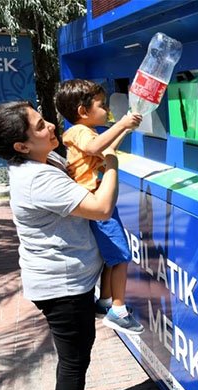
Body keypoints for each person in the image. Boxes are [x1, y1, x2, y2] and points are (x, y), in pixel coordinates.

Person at [0, 101, 127, 390]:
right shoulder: (38, 178)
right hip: (62, 287)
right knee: (75, 359)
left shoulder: (40, 161)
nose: (51, 127)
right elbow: (101, 207)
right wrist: (112, 164)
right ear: (21, 145)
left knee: (72, 357)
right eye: (40, 126)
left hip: (60, 281)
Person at [55, 79, 144, 335]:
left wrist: (125, 130)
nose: (107, 109)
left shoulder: (85, 131)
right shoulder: (81, 132)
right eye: (102, 105)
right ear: (83, 111)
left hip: (97, 201)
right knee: (122, 257)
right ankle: (118, 310)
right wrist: (122, 124)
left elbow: (106, 147)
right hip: (97, 202)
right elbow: (96, 147)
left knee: (112, 258)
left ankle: (104, 301)